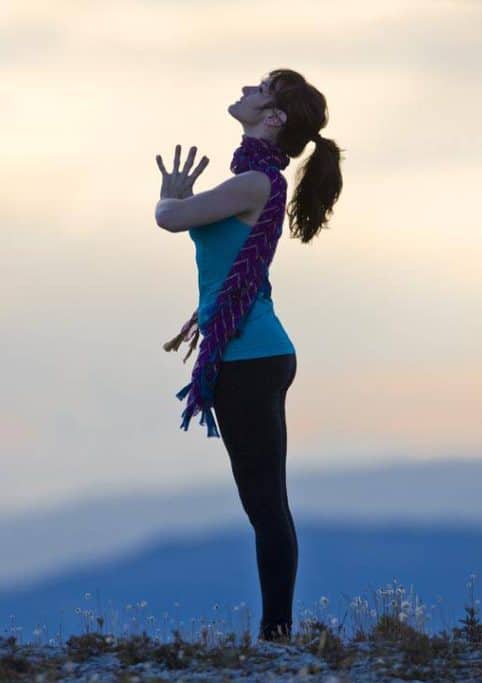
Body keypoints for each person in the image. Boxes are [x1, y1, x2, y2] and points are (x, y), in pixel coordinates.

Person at [154, 68, 344, 644]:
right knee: (265, 499)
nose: (247, 88)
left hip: (250, 357)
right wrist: (186, 199)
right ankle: (276, 632)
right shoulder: (253, 181)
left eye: (261, 88)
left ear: (274, 117)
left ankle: (276, 636)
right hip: (254, 353)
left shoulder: (255, 183)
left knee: (264, 502)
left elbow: (169, 219)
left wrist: (173, 196)